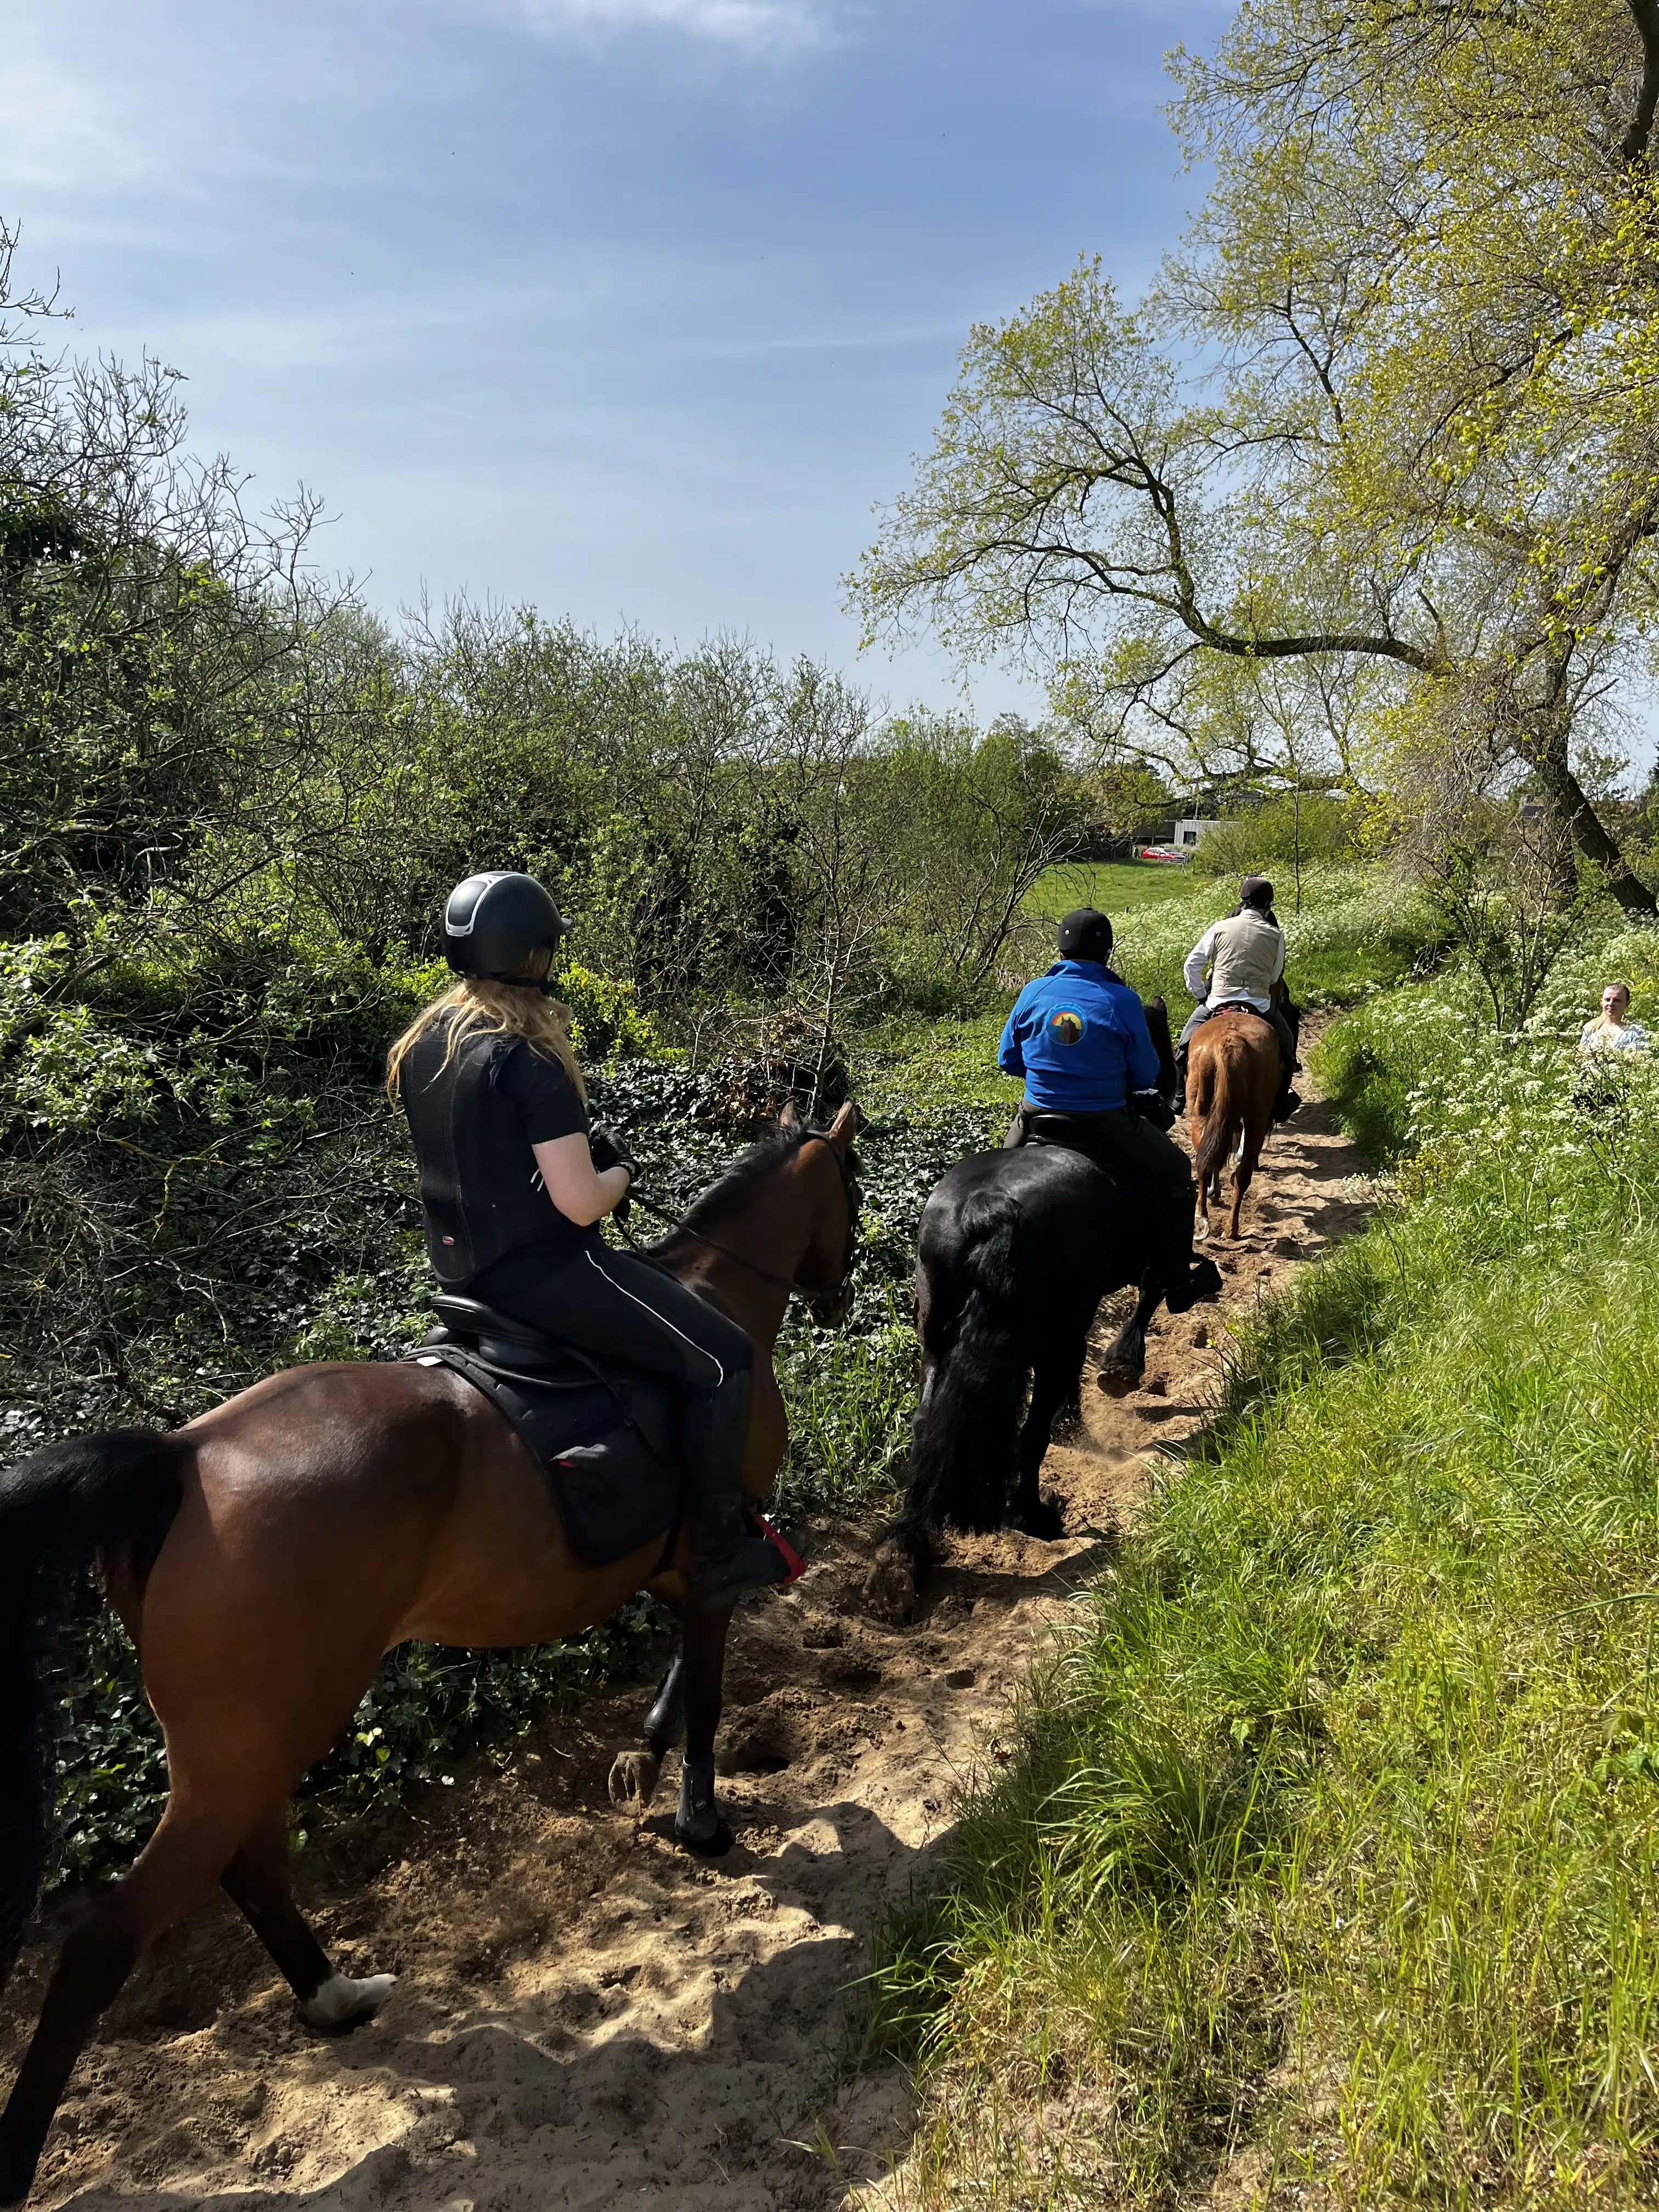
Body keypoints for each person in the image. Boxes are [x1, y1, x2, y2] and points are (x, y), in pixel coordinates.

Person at [388, 869, 787, 1610]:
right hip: (543, 1274)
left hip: (459, 1275)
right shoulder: (528, 1058)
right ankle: (720, 1551)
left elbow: (485, 1162)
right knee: (725, 1360)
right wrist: (622, 1174)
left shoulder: (426, 1045)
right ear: (534, 956)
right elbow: (578, 1206)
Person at [998, 906, 1216, 1313]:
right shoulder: (1121, 999)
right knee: (1176, 1172)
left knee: (993, 1178)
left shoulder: (1032, 992)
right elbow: (1147, 1074)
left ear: (1060, 949)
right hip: (1105, 1121)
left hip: (1036, 1114)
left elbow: (1008, 1061)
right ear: (1107, 953)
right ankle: (1178, 1277)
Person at [1173, 874, 1300, 1119]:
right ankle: (1282, 1097)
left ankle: (1179, 1097)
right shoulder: (1275, 935)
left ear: (1243, 902)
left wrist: (1201, 995)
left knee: (1183, 1046)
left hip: (1218, 1000)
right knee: (1286, 1047)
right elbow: (1274, 977)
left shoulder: (1219, 927)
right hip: (1260, 1005)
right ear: (1267, 906)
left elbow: (1192, 964)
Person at [1579, 980, 1648, 1056]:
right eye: (1607, 1000)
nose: (1611, 1004)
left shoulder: (1636, 1030)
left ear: (1627, 1004)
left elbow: (1640, 1062)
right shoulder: (1591, 1027)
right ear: (1602, 1002)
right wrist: (1585, 1054)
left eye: (1617, 1001)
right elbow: (1577, 1058)